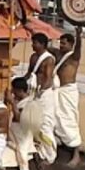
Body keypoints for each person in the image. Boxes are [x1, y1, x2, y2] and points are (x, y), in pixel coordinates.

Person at [53, 27, 84, 166]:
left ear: (71, 44)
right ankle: (61, 142)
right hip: (58, 91)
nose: (61, 45)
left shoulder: (73, 57)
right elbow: (43, 45)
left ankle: (76, 153)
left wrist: (79, 35)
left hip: (68, 91)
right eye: (60, 43)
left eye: (64, 43)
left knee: (69, 119)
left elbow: (78, 48)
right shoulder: (57, 54)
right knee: (57, 117)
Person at [26, 33, 57, 163]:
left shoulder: (49, 59)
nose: (33, 45)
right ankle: (37, 148)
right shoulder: (33, 57)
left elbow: (48, 77)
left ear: (43, 44)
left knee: (44, 124)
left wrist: (41, 92)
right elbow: (29, 73)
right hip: (33, 92)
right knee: (32, 122)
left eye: (35, 43)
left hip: (44, 95)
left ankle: (50, 154)